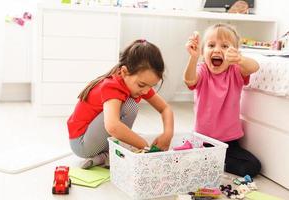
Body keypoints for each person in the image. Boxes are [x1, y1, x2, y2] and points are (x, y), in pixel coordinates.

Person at [67, 39, 174, 169]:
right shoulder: (112, 86)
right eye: (142, 85)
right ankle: (111, 152)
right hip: (81, 143)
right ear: (124, 72)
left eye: (151, 86)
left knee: (129, 120)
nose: (146, 91)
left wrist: (168, 134)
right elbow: (112, 126)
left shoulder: (138, 82)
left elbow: (165, 108)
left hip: (92, 140)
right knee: (130, 106)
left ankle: (104, 156)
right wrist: (143, 145)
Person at [183, 23, 261, 177]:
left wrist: (239, 59)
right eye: (211, 45)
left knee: (253, 167)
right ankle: (204, 158)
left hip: (228, 142)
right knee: (185, 160)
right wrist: (193, 58)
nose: (217, 49)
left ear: (234, 52)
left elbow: (254, 67)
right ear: (203, 51)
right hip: (203, 140)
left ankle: (214, 162)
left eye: (225, 46)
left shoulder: (236, 70)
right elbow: (189, 80)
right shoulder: (203, 69)